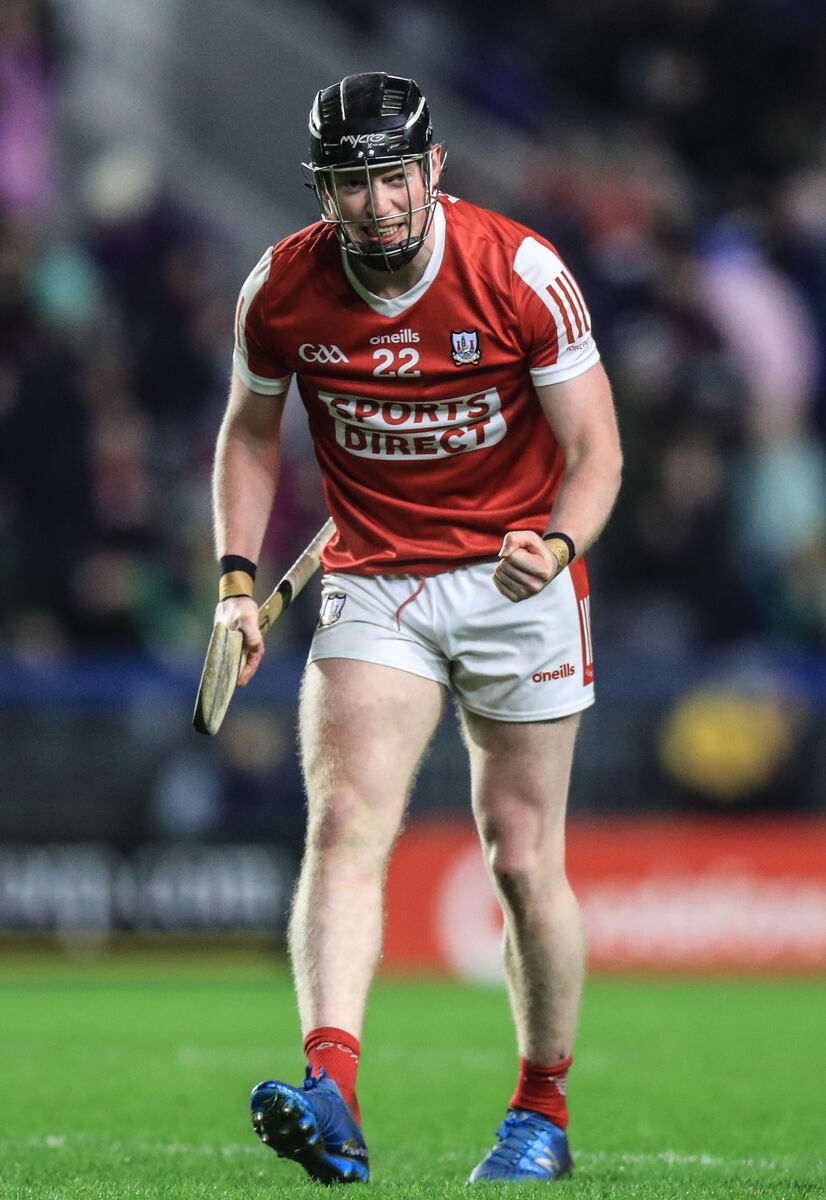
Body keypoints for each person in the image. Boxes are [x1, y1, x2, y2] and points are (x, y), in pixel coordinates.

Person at [211, 71, 622, 1185]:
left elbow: (596, 451)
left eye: (394, 178)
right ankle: (331, 1091)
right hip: (373, 577)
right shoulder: (281, 288)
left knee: (523, 859)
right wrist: (238, 581)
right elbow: (250, 434)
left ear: (433, 169)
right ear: (324, 191)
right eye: (352, 185)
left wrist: (561, 548)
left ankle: (540, 1111)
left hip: (517, 581)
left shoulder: (521, 273)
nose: (379, 206)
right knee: (344, 821)